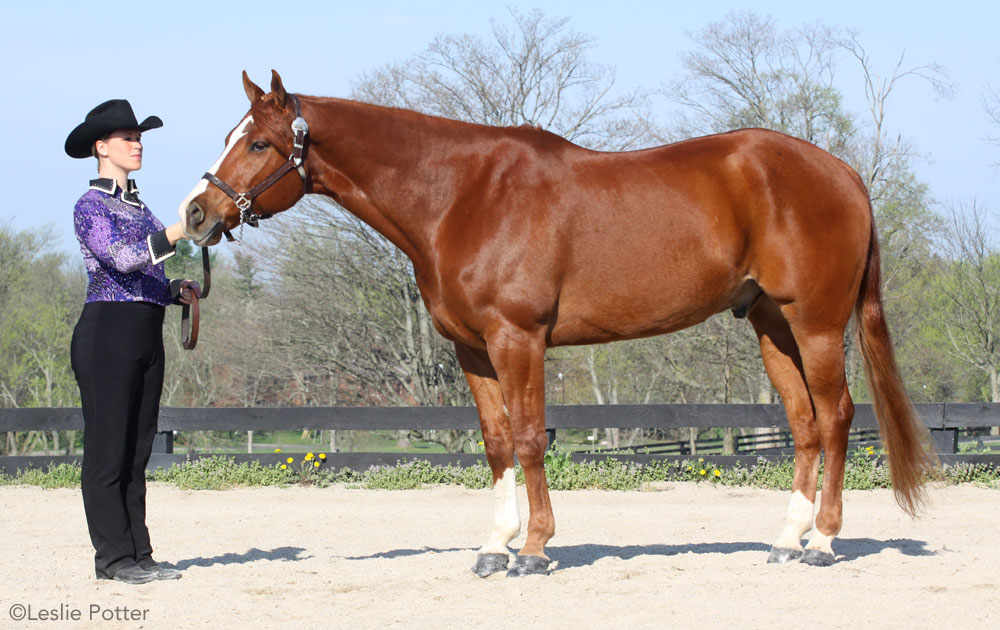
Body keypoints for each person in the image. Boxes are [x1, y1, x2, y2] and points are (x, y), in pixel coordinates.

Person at [65, 99, 198, 584]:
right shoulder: (90, 206)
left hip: (144, 329)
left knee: (137, 450)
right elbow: (120, 261)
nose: (137, 144)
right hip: (107, 335)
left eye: (138, 137)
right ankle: (112, 559)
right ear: (101, 148)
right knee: (108, 450)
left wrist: (172, 291)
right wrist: (182, 230)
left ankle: (139, 553)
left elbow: (141, 275)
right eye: (127, 138)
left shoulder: (140, 208)